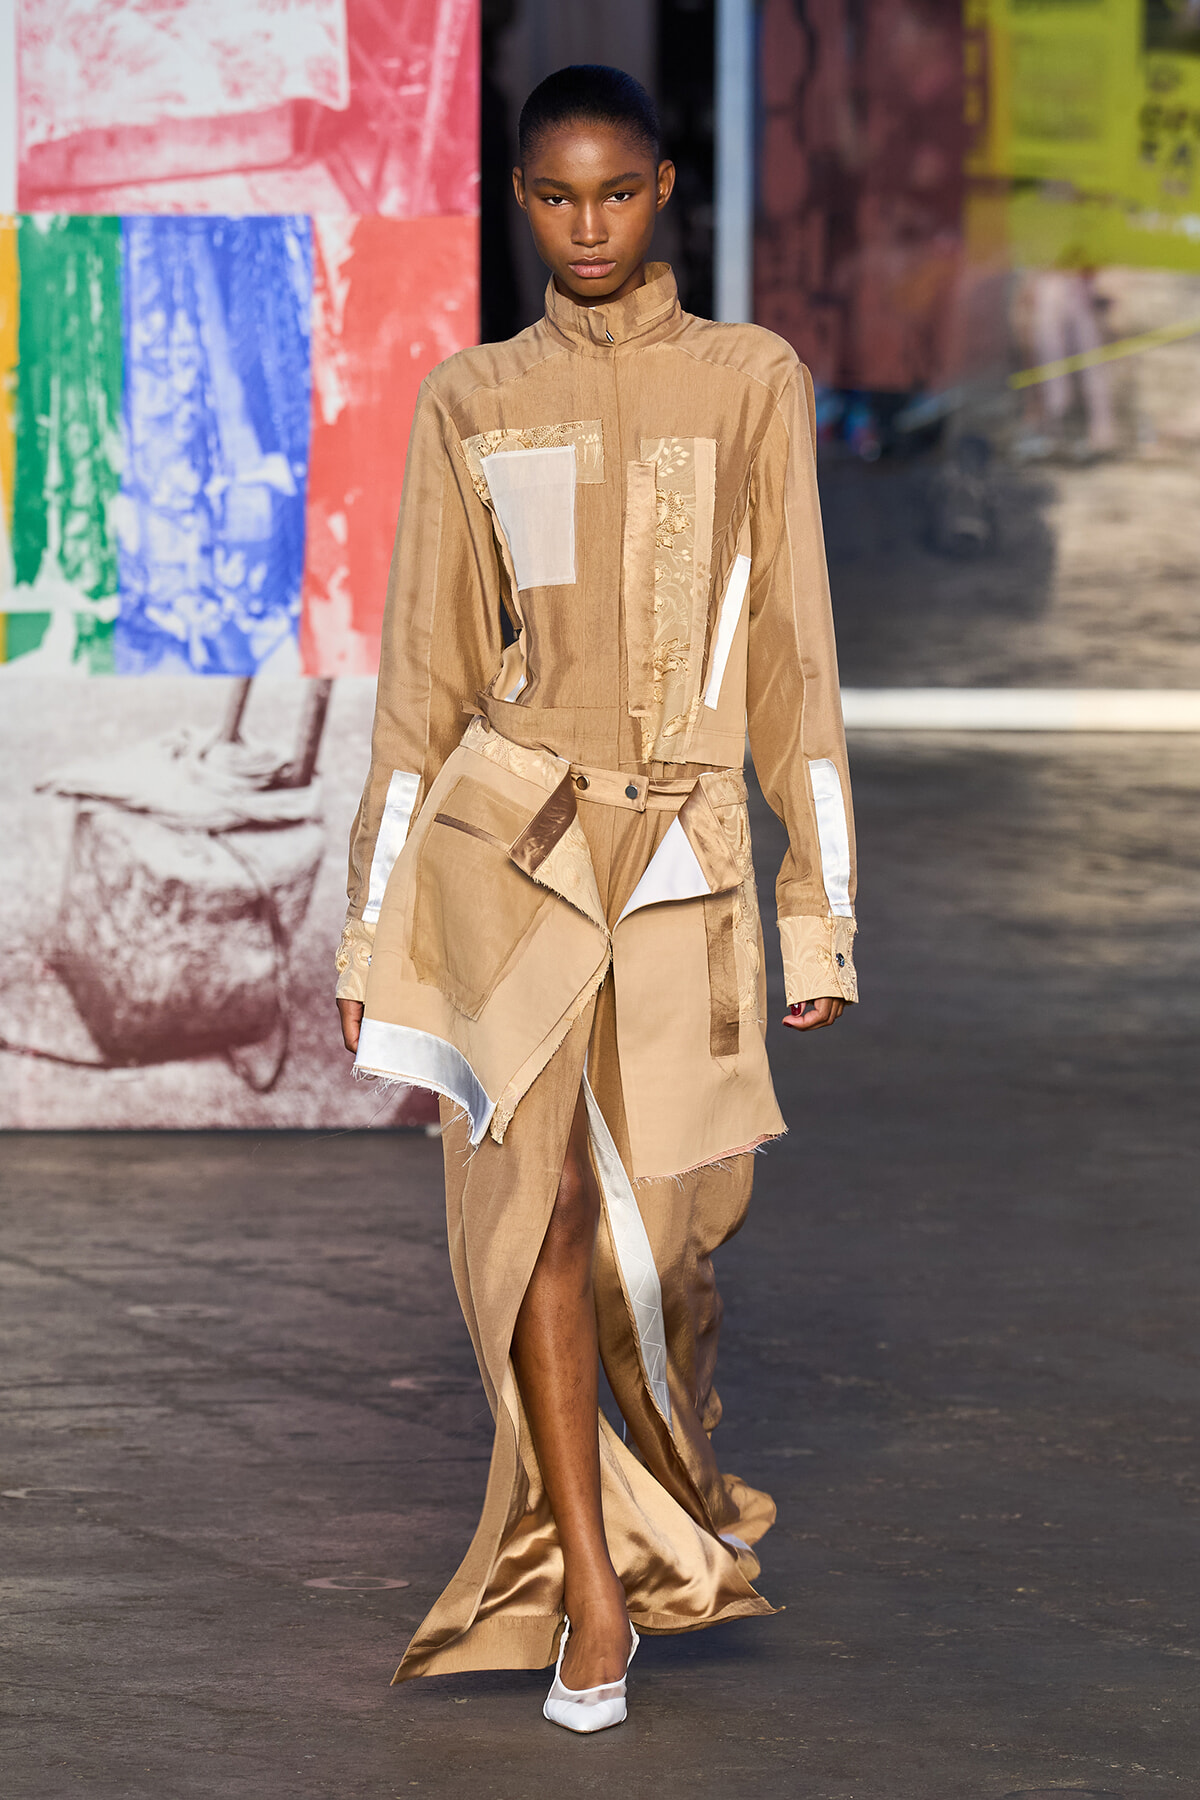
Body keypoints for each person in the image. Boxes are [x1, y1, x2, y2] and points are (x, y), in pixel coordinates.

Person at [335, 64, 858, 1733]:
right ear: (516, 201)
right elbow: (424, 679)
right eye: (554, 198)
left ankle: (664, 1514)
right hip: (514, 861)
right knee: (540, 1210)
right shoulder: (471, 400)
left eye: (617, 194)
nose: (587, 227)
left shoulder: (749, 381)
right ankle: (594, 1602)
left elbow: (796, 668)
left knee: (674, 1250)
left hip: (691, 870)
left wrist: (820, 909)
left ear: (665, 191)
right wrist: (371, 928)